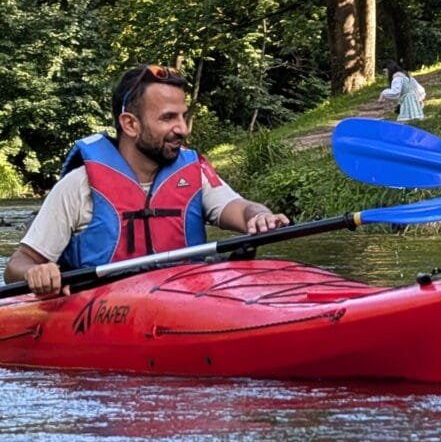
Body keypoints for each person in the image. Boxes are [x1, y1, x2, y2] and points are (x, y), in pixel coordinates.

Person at [5, 63, 290, 298]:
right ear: (130, 124)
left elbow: (240, 209)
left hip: (188, 302)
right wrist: (36, 273)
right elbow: (17, 265)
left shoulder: (194, 174)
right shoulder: (78, 187)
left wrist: (260, 216)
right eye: (168, 118)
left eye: (183, 116)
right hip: (104, 314)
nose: (182, 128)